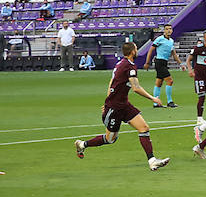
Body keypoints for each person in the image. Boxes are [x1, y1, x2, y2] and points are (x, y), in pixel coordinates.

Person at [73, 42, 170, 171]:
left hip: (124, 105)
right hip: (114, 108)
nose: (137, 51)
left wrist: (107, 100)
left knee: (144, 128)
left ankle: (152, 161)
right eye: (136, 49)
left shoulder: (120, 64)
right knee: (110, 139)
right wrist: (153, 98)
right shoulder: (129, 67)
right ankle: (82, 144)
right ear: (132, 52)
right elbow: (135, 88)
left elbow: (111, 82)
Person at [143, 24, 183, 109]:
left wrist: (181, 64)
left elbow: (174, 54)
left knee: (159, 83)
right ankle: (169, 101)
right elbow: (151, 50)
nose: (169, 30)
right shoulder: (159, 39)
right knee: (170, 81)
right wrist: (147, 62)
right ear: (164, 31)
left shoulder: (171, 41)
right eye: (167, 29)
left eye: (170, 29)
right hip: (159, 62)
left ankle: (156, 103)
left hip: (164, 62)